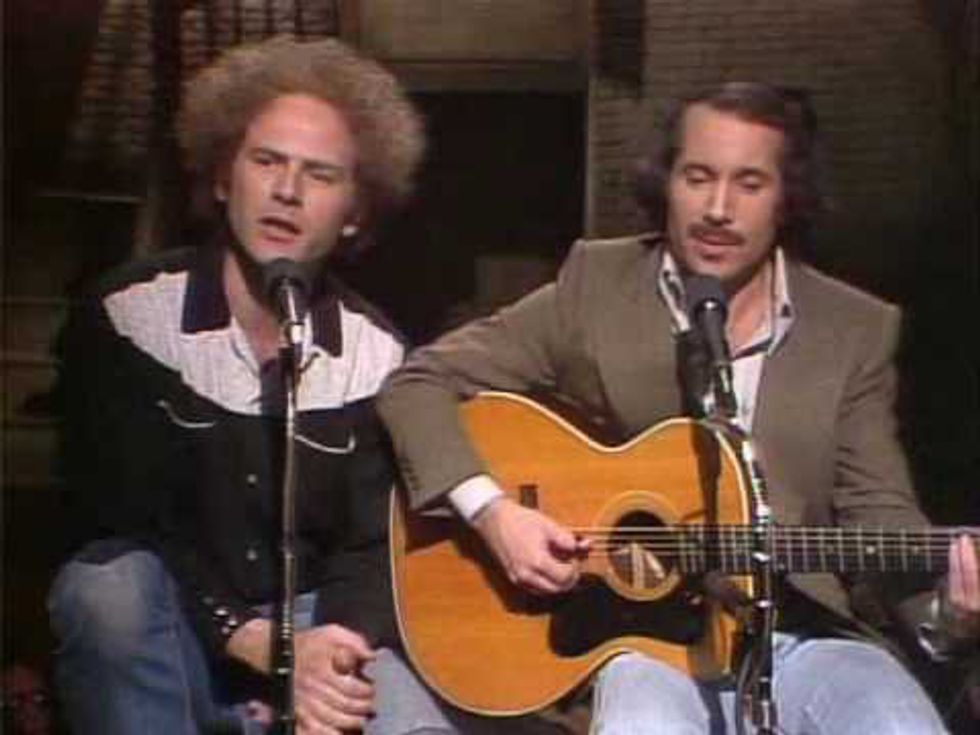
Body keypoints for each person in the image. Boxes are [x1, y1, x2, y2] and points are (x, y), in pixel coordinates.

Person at [378, 82, 980, 733]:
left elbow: (880, 513)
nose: (718, 209)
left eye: (749, 183)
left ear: (787, 199)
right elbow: (419, 383)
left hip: (805, 637)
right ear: (666, 183)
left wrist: (949, 611)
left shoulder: (852, 329)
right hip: (641, 647)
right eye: (698, 177)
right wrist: (494, 514)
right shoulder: (596, 288)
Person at [47, 35, 488, 735]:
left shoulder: (376, 354)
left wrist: (327, 660)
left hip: (314, 625)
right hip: (175, 619)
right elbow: (126, 516)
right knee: (107, 589)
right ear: (224, 178)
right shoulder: (129, 314)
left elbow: (372, 547)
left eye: (320, 174)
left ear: (354, 212)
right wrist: (254, 642)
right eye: (266, 161)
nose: (287, 191)